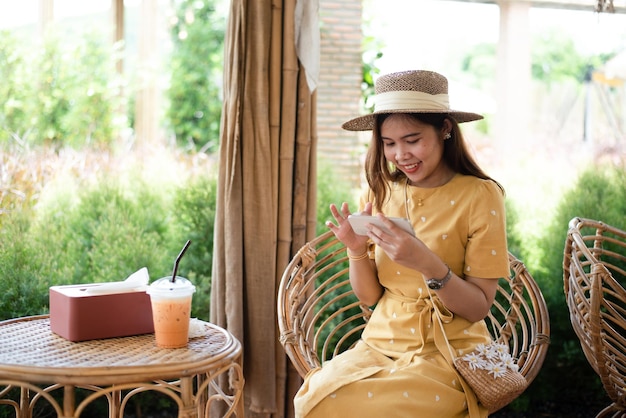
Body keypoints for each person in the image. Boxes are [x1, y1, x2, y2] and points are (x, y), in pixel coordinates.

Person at [293, 70, 510, 418]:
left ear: (445, 129)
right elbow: (370, 297)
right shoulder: (379, 191)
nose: (400, 154)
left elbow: (478, 308)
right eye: (389, 143)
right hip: (380, 343)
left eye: (412, 139)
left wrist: (426, 263)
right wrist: (356, 248)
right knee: (313, 400)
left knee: (372, 409)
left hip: (450, 351)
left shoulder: (481, 195)